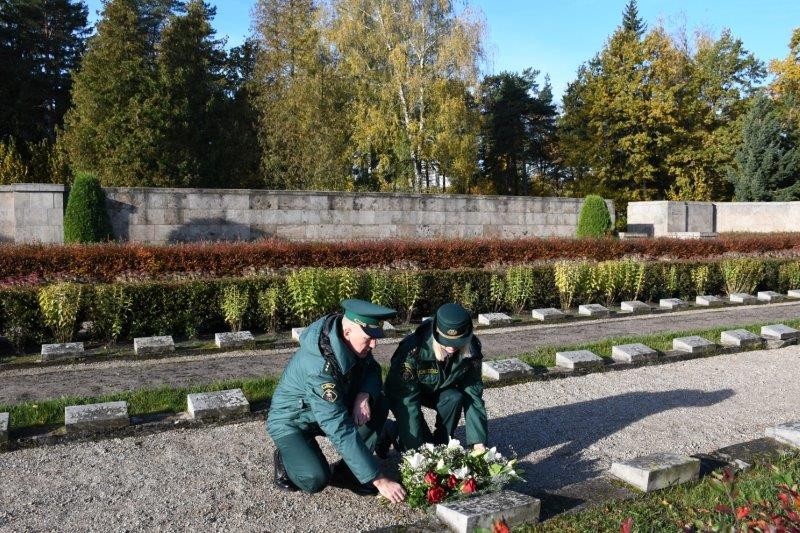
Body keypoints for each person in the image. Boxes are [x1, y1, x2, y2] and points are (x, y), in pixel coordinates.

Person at [266, 299, 406, 503]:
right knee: (315, 479)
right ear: (347, 332)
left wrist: (364, 394)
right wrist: (379, 479)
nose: (374, 344)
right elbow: (338, 426)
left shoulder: (350, 342)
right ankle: (285, 458)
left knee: (378, 403)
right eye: (368, 338)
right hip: (293, 421)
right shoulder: (319, 366)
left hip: (324, 412)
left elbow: (372, 370)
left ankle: (347, 473)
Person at [385, 302, 488, 454]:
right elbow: (407, 404)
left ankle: (443, 443)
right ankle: (391, 430)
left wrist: (478, 442)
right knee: (421, 447)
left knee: (454, 398)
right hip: (404, 394)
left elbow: (473, 394)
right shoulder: (413, 350)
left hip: (438, 389)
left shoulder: (472, 350)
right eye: (447, 341)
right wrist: (416, 451)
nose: (452, 346)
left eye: (458, 341)